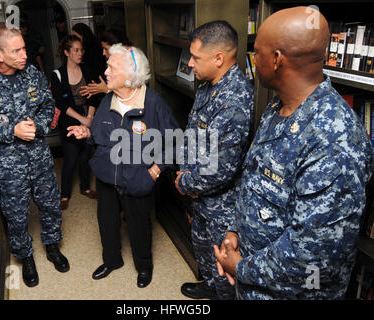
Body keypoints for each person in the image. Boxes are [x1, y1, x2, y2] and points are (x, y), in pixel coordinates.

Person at [214, 7, 374, 300]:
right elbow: (254, 182)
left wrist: (240, 267)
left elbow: (312, 256)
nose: (252, 58)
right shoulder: (277, 109)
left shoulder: (334, 139)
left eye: (257, 51)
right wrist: (234, 232)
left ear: (276, 60)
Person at [0, 22, 69, 288]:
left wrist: (39, 126)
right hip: (8, 166)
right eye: (17, 51)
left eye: (24, 48)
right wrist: (13, 130)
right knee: (16, 215)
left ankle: (53, 246)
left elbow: (47, 106)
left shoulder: (32, 73)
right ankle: (26, 257)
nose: (25, 55)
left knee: (50, 205)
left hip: (40, 158)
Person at [67, 44, 179, 288]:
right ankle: (112, 261)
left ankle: (144, 266)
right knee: (107, 224)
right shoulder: (108, 100)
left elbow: (175, 142)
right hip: (107, 177)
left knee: (139, 226)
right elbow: (98, 135)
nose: (105, 71)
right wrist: (85, 132)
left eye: (111, 67)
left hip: (138, 178)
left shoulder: (153, 104)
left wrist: (154, 171)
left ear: (130, 76)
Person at [174, 20, 254, 300]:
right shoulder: (208, 86)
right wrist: (185, 168)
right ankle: (208, 285)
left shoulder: (235, 99)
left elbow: (222, 168)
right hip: (200, 197)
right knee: (205, 253)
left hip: (222, 204)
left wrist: (185, 181)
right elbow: (194, 133)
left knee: (224, 269)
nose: (191, 64)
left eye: (196, 58)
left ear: (219, 59)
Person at [51, 35, 102, 210]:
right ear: (66, 52)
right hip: (69, 121)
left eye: (81, 50)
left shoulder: (88, 71)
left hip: (88, 116)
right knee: (71, 158)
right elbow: (60, 103)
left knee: (86, 155)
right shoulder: (57, 74)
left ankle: (86, 188)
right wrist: (82, 120)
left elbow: (95, 97)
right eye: (76, 50)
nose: (80, 53)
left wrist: (89, 118)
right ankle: (64, 194)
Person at [80, 29, 132, 99]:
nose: (103, 53)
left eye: (106, 49)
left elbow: (129, 96)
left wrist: (106, 89)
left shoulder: (130, 65)